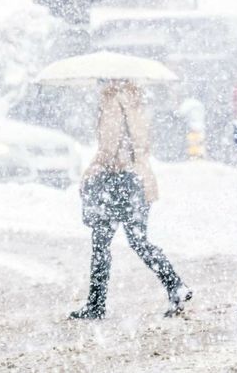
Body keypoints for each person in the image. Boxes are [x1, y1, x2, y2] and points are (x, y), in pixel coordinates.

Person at [70, 80, 191, 319]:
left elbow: (109, 148)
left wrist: (92, 169)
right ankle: (175, 285)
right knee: (139, 240)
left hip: (117, 181)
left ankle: (96, 304)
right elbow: (141, 144)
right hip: (140, 179)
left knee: (101, 243)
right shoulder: (137, 102)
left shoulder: (111, 102)